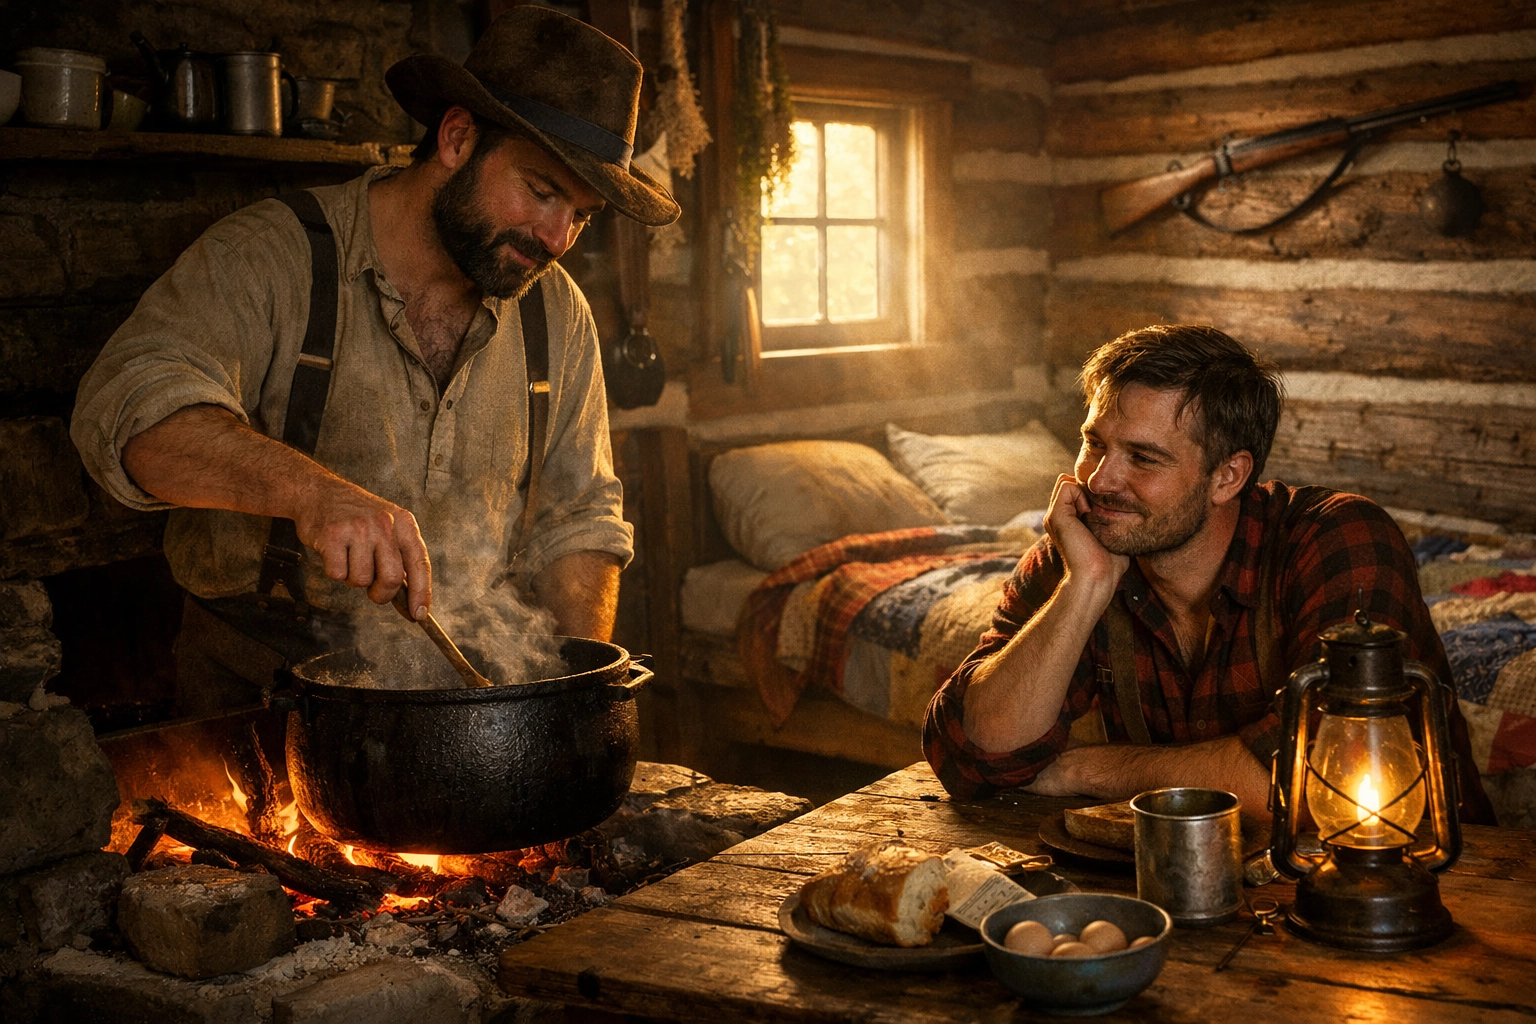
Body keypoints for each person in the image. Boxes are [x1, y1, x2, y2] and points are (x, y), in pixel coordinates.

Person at [71, 8, 679, 713]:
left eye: (580, 215)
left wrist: (575, 704)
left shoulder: (557, 312)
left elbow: (580, 519)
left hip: (465, 710)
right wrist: (312, 493)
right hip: (264, 703)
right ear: (456, 138)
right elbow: (128, 416)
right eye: (542, 192)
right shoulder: (273, 256)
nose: (556, 237)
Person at [923, 324, 1495, 824]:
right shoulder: (1083, 550)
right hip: (1190, 891)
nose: (1100, 480)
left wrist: (1087, 771)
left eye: (1144, 458)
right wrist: (1085, 587)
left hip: (1422, 890)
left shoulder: (1338, 538)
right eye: (1094, 444)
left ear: (1228, 477)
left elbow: (1333, 777)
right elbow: (975, 756)